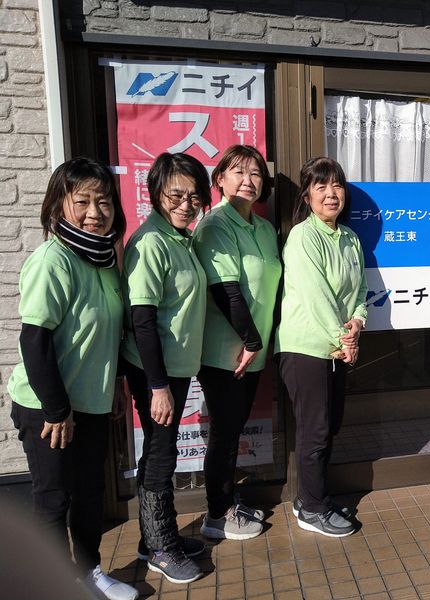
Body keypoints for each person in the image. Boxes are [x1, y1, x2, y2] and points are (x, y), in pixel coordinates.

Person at [8, 158, 139, 600]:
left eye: (104, 202)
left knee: (89, 494)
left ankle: (89, 573)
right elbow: (35, 340)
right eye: (82, 201)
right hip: (49, 407)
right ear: (58, 205)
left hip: (91, 402)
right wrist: (57, 409)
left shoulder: (103, 260)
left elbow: (107, 332)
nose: (95, 212)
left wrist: (115, 383)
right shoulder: (53, 260)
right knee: (53, 499)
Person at [121, 152, 210, 584]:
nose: (186, 204)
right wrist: (158, 387)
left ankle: (158, 537)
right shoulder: (150, 242)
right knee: (160, 454)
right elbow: (142, 320)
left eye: (194, 196)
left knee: (163, 451)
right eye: (176, 195)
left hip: (172, 368)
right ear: (156, 193)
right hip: (154, 370)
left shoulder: (180, 238)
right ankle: (159, 548)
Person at [275, 156, 367, 537]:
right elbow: (316, 297)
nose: (331, 194)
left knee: (329, 427)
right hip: (306, 348)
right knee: (314, 430)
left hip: (336, 347)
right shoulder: (303, 237)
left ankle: (313, 497)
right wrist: (343, 339)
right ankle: (311, 509)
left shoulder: (350, 239)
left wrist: (357, 323)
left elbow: (360, 290)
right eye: (321, 186)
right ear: (307, 195)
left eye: (337, 185)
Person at [193, 145, 281, 540]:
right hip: (226, 353)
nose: (248, 180)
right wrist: (251, 340)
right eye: (238, 172)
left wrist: (257, 344)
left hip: (251, 351)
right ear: (220, 180)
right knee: (225, 434)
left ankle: (228, 500)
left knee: (233, 429)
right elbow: (225, 290)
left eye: (256, 173)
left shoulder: (262, 227)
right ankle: (216, 515)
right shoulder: (215, 225)